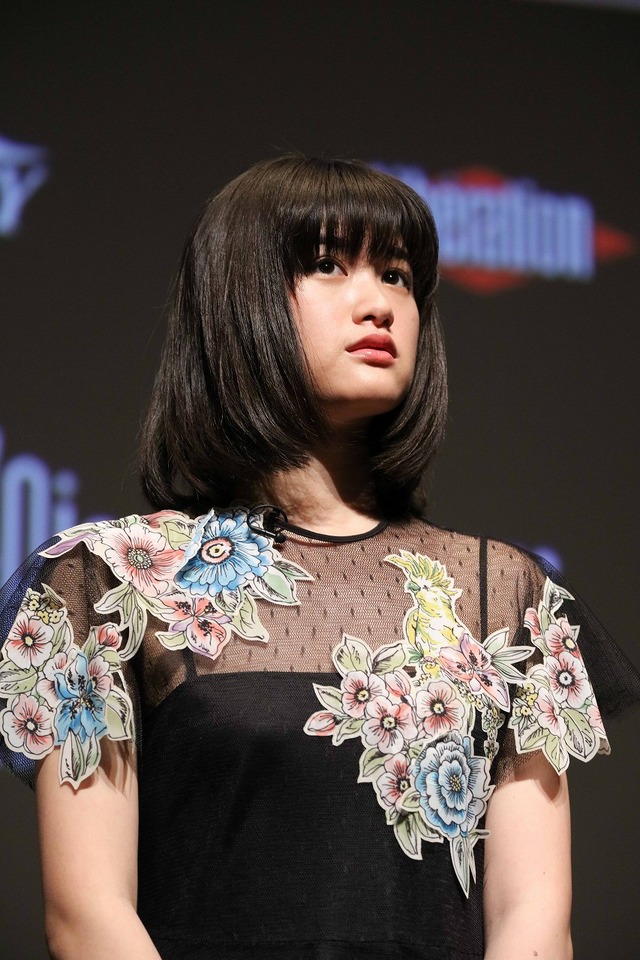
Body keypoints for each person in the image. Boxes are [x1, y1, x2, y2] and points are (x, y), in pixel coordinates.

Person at [1, 155, 639, 960]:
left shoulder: (505, 592)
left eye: (398, 275)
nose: (379, 303)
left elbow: (534, 921)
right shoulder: (109, 580)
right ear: (238, 301)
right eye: (329, 265)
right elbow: (87, 916)